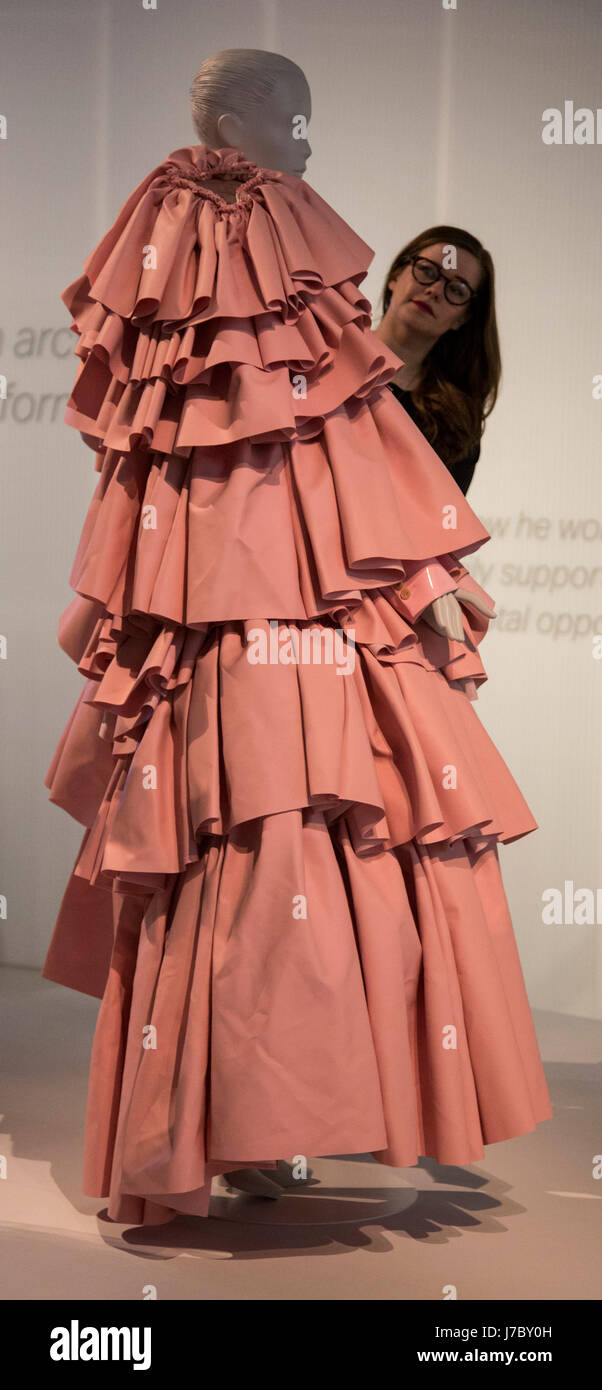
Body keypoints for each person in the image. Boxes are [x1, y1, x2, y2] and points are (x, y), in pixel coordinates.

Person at [42, 48, 552, 1226]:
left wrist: (418, 584)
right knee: (256, 858)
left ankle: (267, 1117)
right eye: (293, 120)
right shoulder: (242, 258)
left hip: (301, 630)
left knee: (312, 860)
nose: (306, 147)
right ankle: (227, 1125)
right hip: (239, 625)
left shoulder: (342, 349)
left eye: (452, 283)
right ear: (240, 121)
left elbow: (352, 473)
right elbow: (176, 442)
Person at [373, 229, 501, 494]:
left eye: (456, 289)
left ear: (463, 318)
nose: (434, 291)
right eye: (428, 271)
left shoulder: (455, 422)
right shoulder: (324, 358)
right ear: (396, 275)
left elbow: (439, 531)